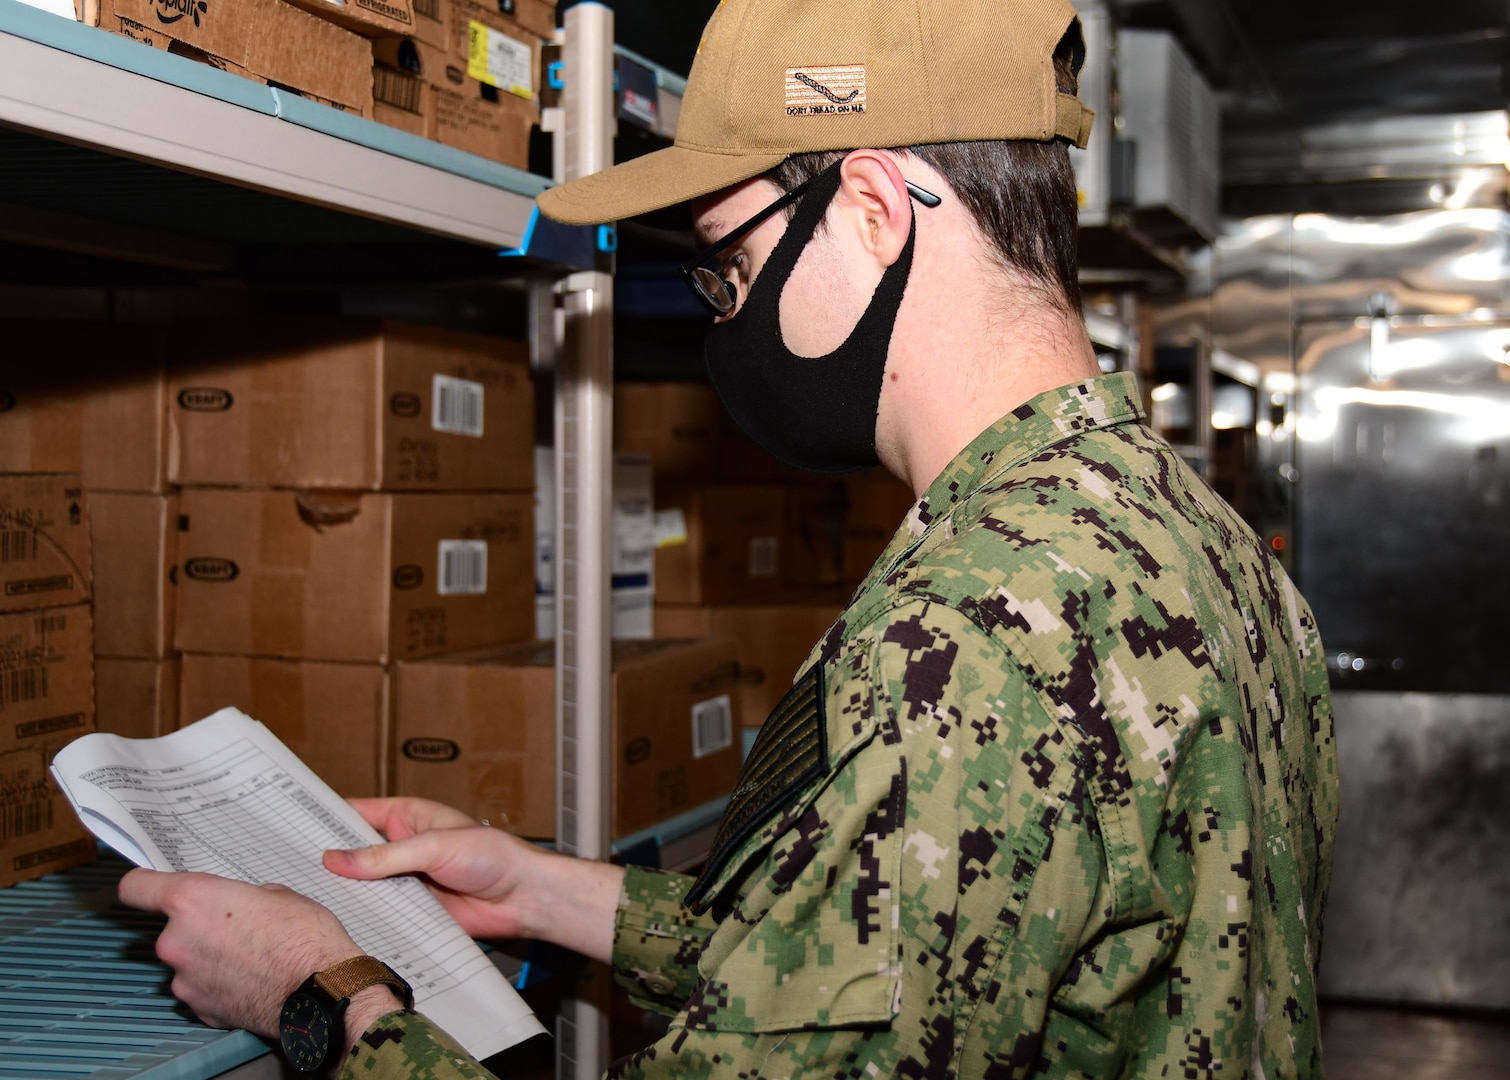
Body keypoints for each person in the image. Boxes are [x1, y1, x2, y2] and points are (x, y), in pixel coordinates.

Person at [120, 0, 1339, 1076]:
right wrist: (552, 892)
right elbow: (937, 952)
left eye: (733, 263)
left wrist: (323, 1000)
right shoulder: (1194, 538)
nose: (729, 314)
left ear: (870, 206)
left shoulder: (971, 631)